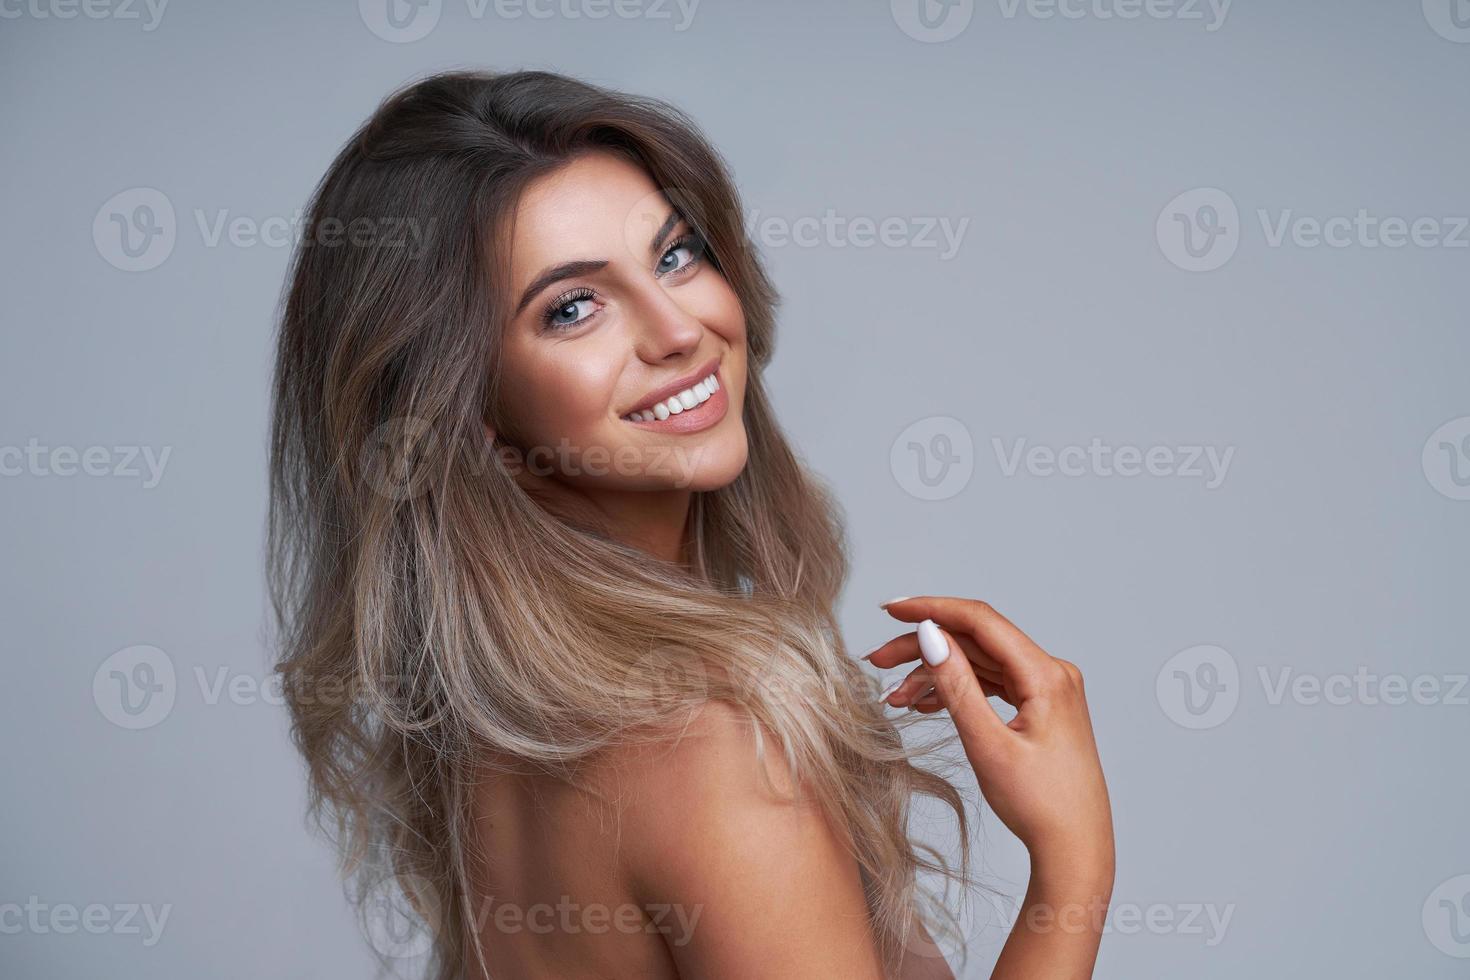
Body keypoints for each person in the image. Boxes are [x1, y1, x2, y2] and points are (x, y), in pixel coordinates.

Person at [267, 68, 1113, 979]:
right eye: (573, 307)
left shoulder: (498, 726)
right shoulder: (711, 750)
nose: (677, 328)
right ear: (466, 405)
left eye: (674, 255)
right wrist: (1073, 866)